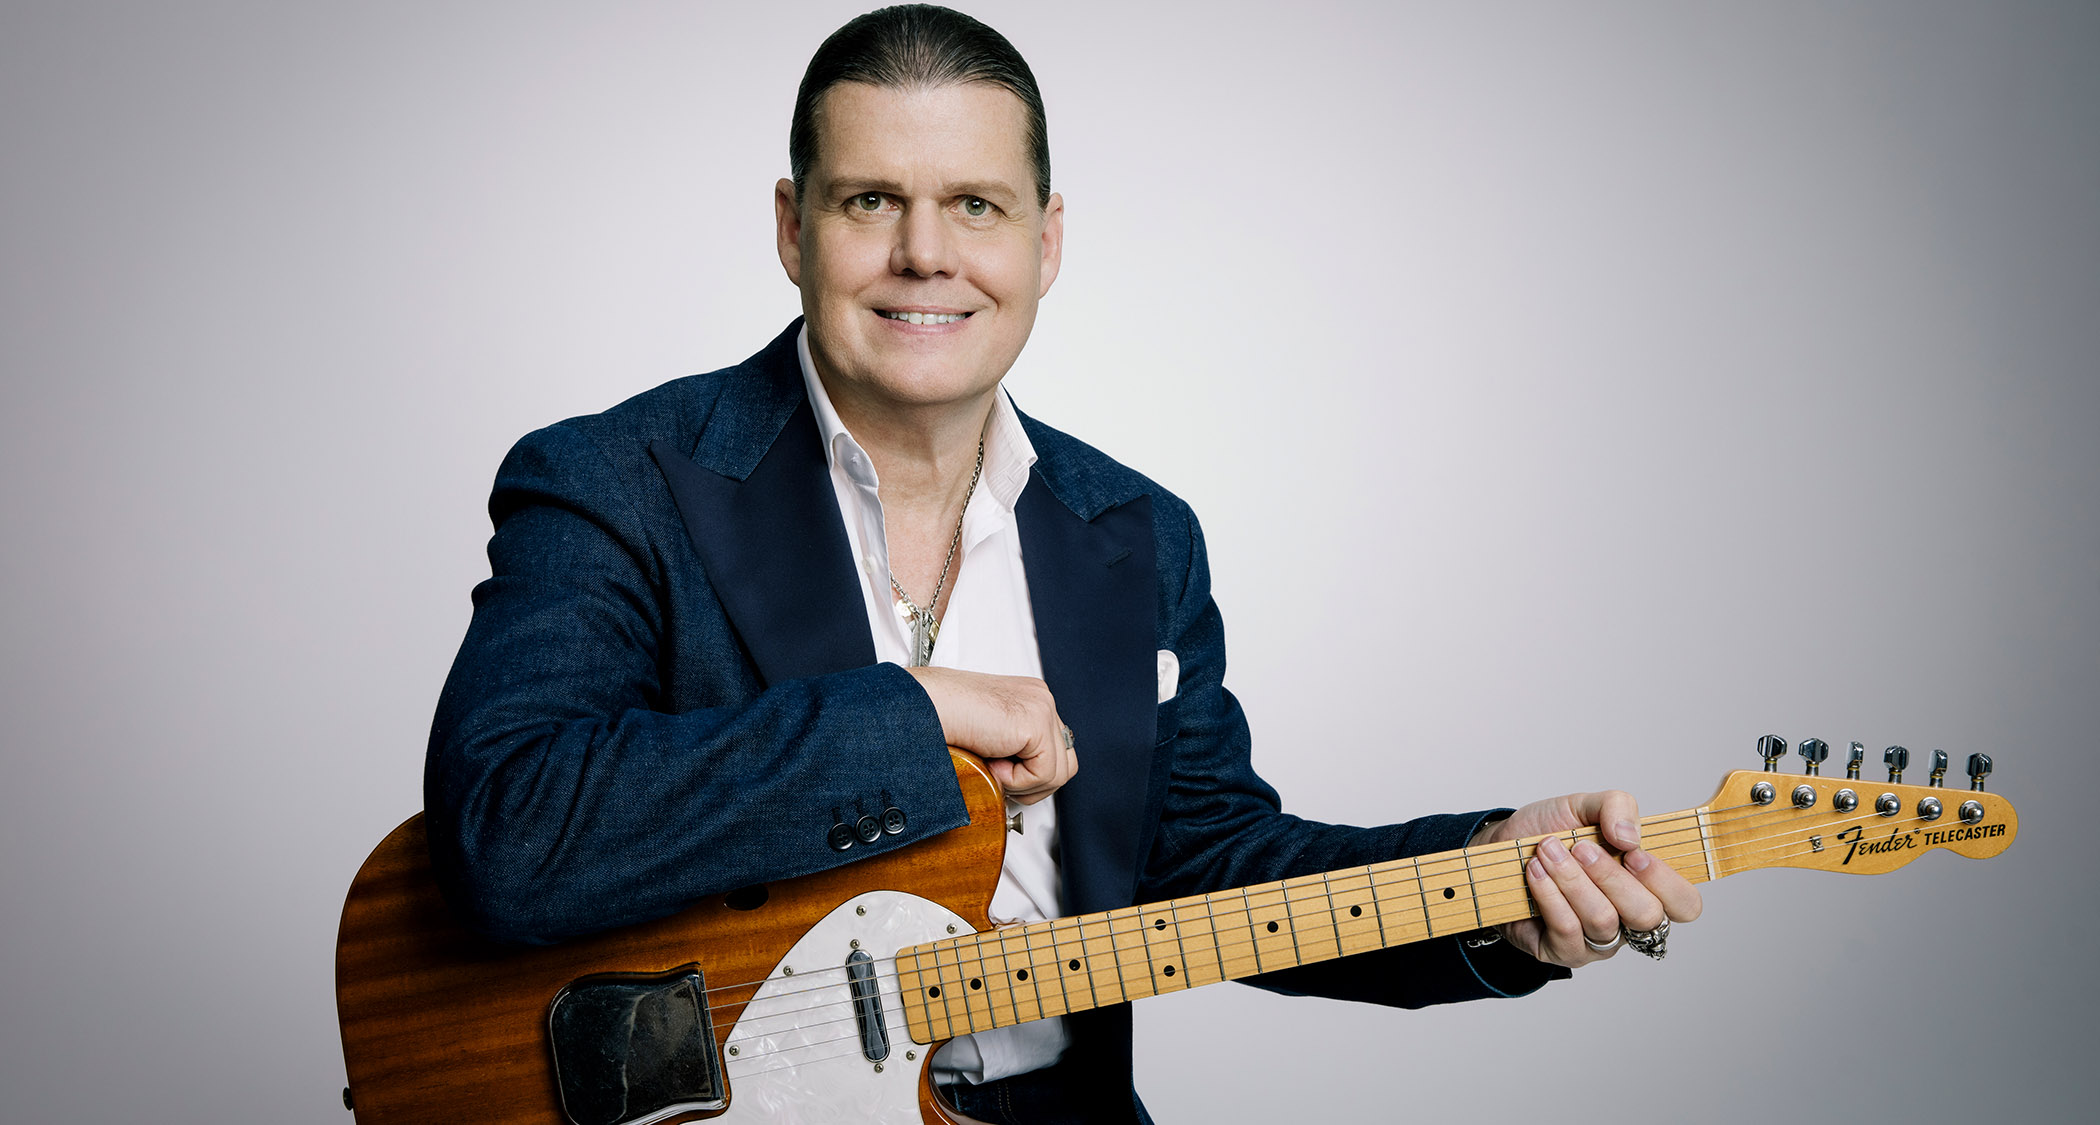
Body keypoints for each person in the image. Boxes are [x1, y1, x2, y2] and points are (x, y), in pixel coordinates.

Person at [423, 6, 1702, 1121]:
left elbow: (1210, 869)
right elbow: (506, 832)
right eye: (872, 201)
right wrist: (909, 714)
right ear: (790, 228)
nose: (928, 254)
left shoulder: (1139, 534)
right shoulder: (614, 480)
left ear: (1045, 242)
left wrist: (1493, 882)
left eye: (976, 205)